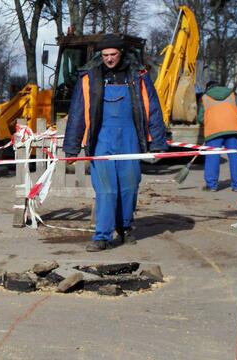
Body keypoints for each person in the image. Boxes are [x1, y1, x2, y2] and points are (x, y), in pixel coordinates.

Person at [63, 34, 168, 252]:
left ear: (121, 54)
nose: (109, 59)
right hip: (101, 140)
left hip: (130, 140)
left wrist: (157, 143)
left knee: (129, 187)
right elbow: (78, 112)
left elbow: (153, 109)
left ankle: (125, 228)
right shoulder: (89, 77)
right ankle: (102, 236)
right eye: (105, 55)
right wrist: (72, 148)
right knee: (106, 190)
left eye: (113, 54)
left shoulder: (139, 75)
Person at [197, 81, 237, 192]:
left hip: (214, 130)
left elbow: (200, 118)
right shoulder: (231, 93)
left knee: (213, 157)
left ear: (208, 88)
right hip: (233, 129)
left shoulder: (204, 97)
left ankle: (212, 186)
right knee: (234, 156)